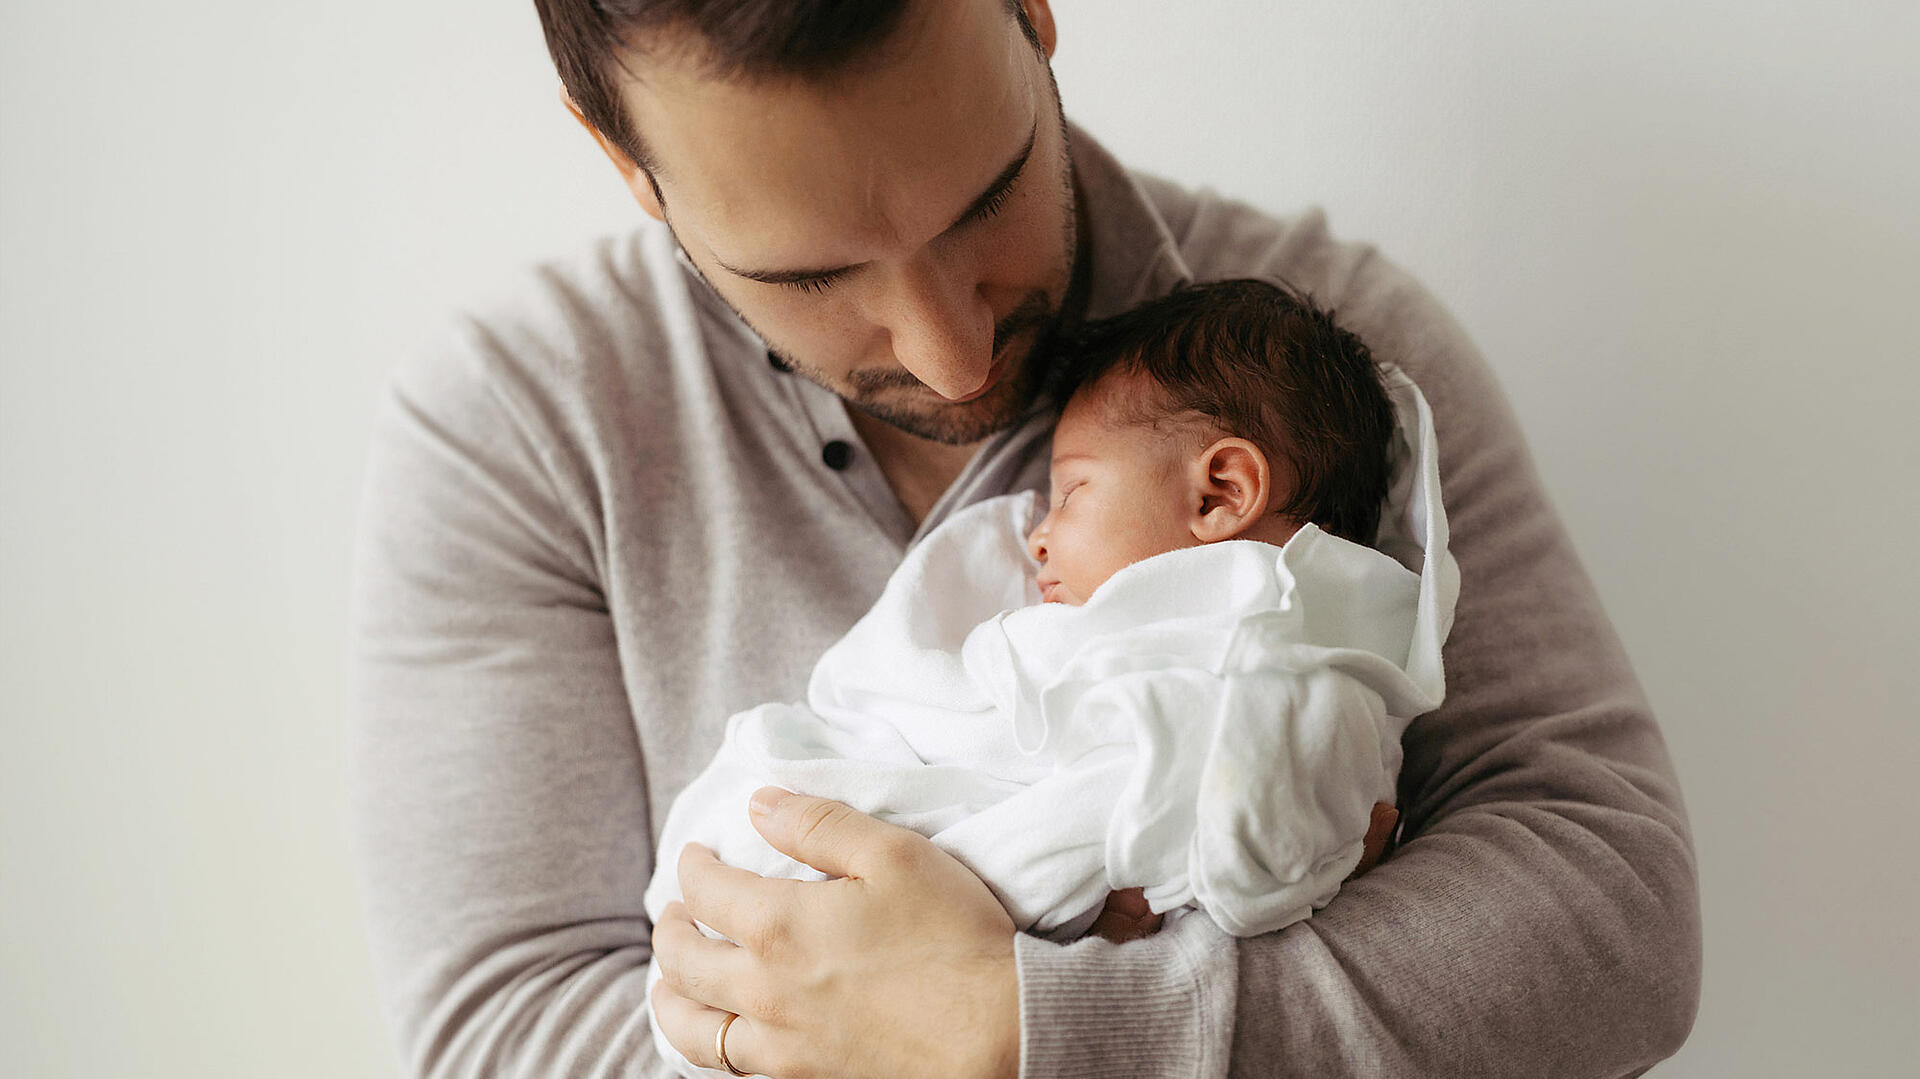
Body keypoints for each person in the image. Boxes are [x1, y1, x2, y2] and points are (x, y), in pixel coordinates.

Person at [345, 2, 1702, 1077]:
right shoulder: (523, 426)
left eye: (982, 200)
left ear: (1034, 11)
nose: (947, 351)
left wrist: (1036, 1029)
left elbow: (1613, 913)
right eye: (813, 277)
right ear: (623, 159)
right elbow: (504, 1028)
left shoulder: (1332, 356)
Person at [640, 280, 1457, 1077]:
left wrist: (1024, 1009)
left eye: (1071, 492)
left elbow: (1254, 842)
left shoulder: (1286, 669)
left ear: (1220, 493)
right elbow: (913, 713)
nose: (1036, 535)